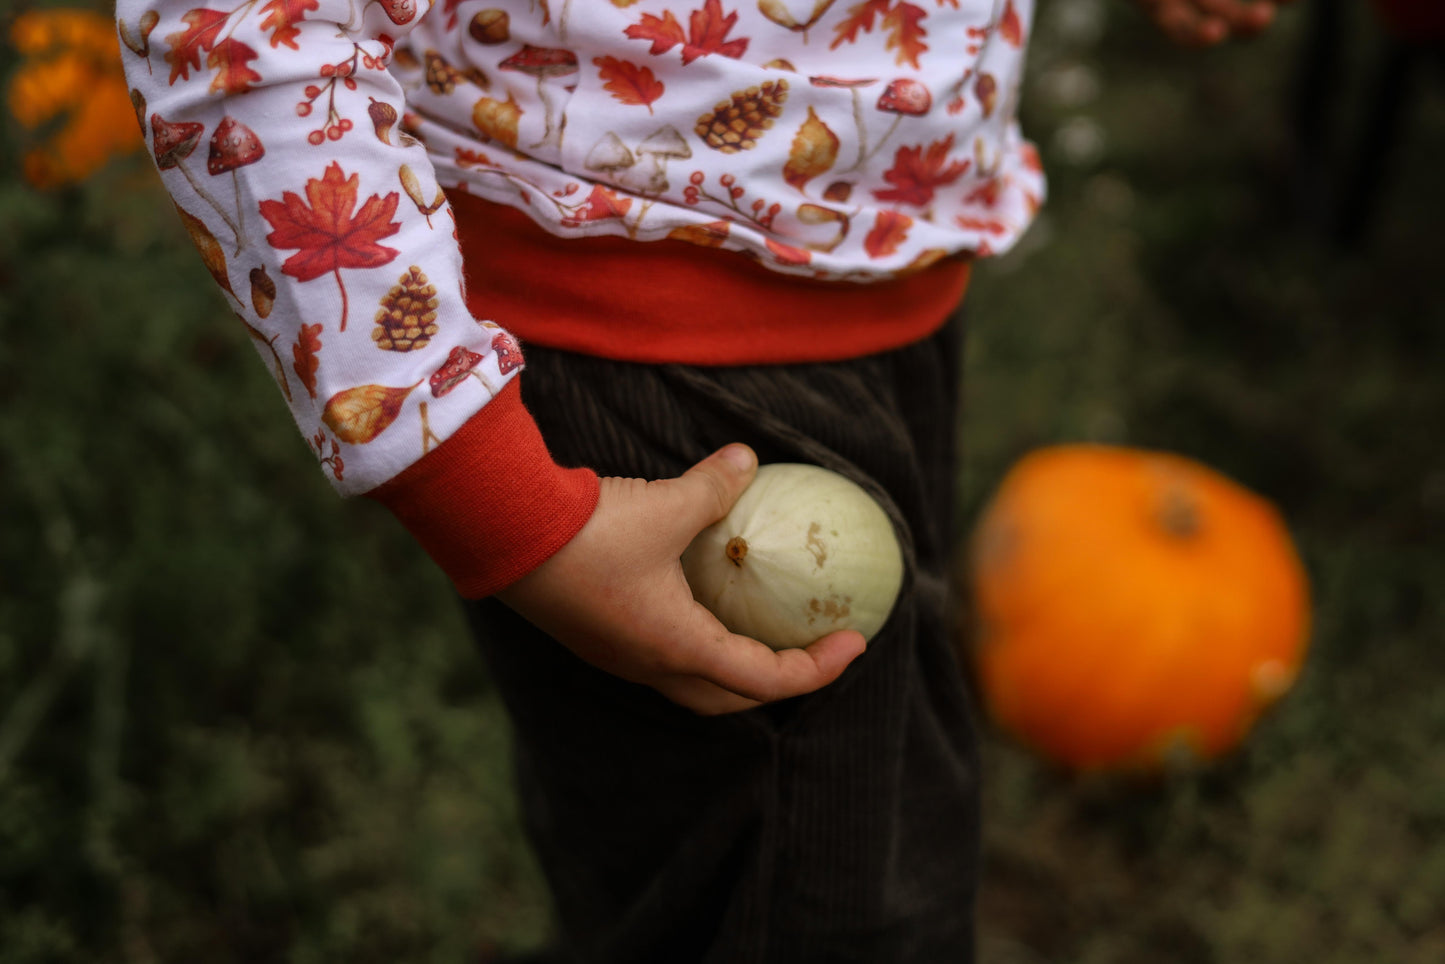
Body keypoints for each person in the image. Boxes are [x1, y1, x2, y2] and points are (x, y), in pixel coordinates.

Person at [117, 0, 1289, 959]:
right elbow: (238, 24)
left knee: (724, 860)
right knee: (819, 908)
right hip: (642, 338)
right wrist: (492, 492)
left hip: (876, 267)